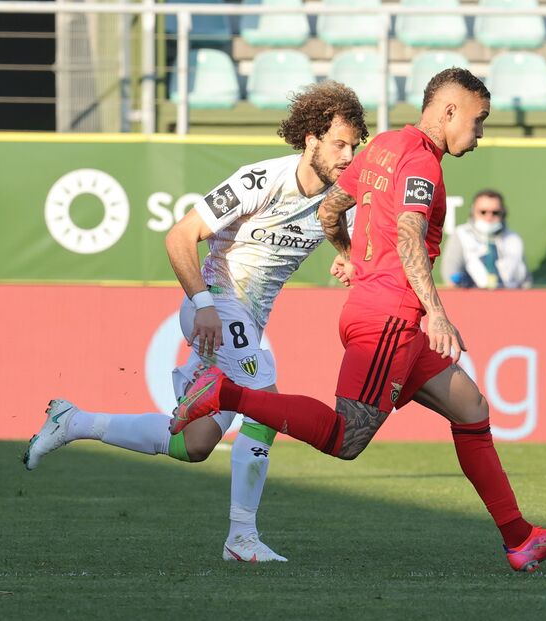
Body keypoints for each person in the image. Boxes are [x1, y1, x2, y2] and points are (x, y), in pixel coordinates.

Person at [173, 68, 546, 572]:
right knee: (347, 439)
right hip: (391, 317)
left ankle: (519, 539)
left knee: (472, 409)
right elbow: (410, 235)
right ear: (449, 111)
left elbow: (331, 210)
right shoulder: (423, 165)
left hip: (384, 314)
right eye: (478, 122)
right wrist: (437, 313)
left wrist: (353, 256)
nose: (479, 135)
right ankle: (222, 394)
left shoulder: (385, 145)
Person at [23, 82, 369, 563]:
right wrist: (204, 302)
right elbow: (180, 236)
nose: (348, 155)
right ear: (311, 138)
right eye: (339, 143)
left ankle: (74, 421)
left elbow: (332, 224)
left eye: (355, 146)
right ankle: (241, 538)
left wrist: (347, 257)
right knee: (266, 401)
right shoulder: (261, 180)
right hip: (216, 306)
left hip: (244, 323)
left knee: (195, 443)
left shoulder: (337, 197)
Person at [440, 189, 530, 289]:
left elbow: (525, 280)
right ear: (473, 212)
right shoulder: (461, 235)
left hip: (510, 298)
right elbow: (450, 276)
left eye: (495, 213)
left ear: (503, 213)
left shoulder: (514, 239)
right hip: (474, 299)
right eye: (483, 212)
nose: (489, 217)